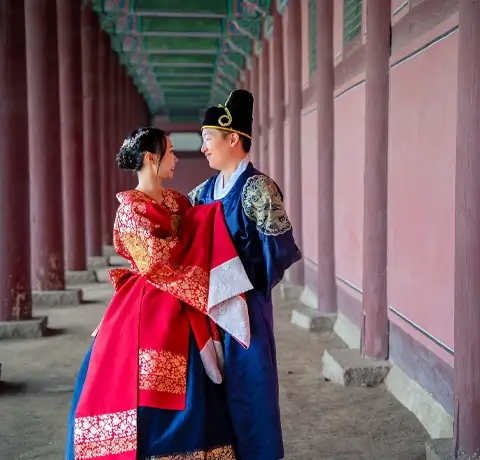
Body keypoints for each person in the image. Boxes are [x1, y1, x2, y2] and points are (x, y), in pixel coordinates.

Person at [65, 128, 253, 460]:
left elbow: (199, 227)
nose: (176, 158)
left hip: (183, 300)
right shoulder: (130, 209)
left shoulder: (178, 201)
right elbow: (157, 263)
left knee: (201, 385)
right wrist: (193, 249)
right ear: (152, 159)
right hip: (146, 301)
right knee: (138, 382)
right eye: (170, 152)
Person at [188, 89, 302, 460]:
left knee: (251, 389)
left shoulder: (258, 189)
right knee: (211, 391)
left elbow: (279, 250)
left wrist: (241, 280)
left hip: (246, 308)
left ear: (232, 138)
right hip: (207, 310)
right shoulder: (203, 192)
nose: (203, 147)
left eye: (208, 138)